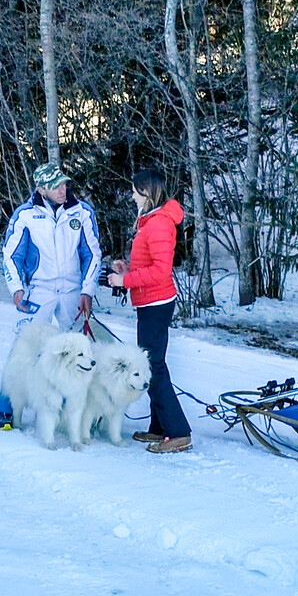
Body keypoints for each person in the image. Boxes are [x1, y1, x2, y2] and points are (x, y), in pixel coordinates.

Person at [0, 162, 102, 430]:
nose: (63, 189)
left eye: (64, 183)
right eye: (55, 186)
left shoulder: (82, 212)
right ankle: (6, 408)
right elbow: (11, 254)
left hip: (73, 290)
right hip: (38, 289)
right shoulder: (25, 214)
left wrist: (87, 290)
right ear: (41, 188)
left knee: (81, 348)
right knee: (23, 346)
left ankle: (83, 413)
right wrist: (17, 288)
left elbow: (93, 254)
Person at [107, 168, 192, 453]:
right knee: (152, 363)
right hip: (148, 302)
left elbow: (161, 271)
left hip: (156, 303)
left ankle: (178, 431)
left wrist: (125, 281)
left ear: (148, 192)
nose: (131, 196)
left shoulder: (158, 224)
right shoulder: (150, 220)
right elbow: (150, 264)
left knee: (153, 366)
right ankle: (160, 428)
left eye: (135, 190)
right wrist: (128, 269)